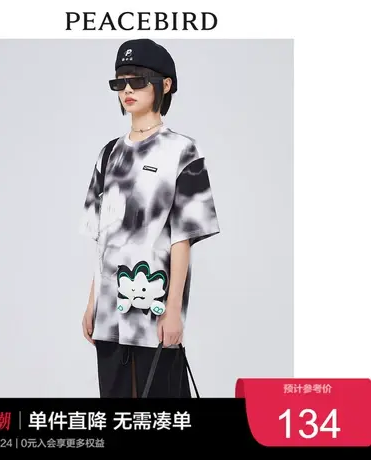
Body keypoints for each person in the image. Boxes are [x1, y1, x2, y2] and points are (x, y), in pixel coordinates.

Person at [79, 38, 220, 398]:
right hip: (110, 315)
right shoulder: (108, 154)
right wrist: (92, 303)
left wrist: (174, 311)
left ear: (165, 85)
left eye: (138, 80)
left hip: (154, 312)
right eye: (120, 81)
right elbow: (103, 240)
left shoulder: (183, 151)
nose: (127, 89)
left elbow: (182, 237)